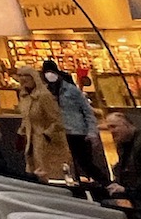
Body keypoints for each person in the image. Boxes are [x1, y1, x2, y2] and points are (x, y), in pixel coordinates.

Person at [42, 57, 109, 185]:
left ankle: (106, 185)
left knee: (85, 163)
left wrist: (92, 131)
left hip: (78, 132)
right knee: (68, 164)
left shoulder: (71, 90)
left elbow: (87, 111)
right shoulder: (46, 92)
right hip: (60, 134)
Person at [19, 70, 72, 181]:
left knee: (52, 174)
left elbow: (57, 120)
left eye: (26, 75)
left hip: (49, 144)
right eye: (20, 76)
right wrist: (21, 133)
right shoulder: (24, 97)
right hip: (32, 143)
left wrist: (46, 135)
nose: (23, 79)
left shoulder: (44, 96)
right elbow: (27, 118)